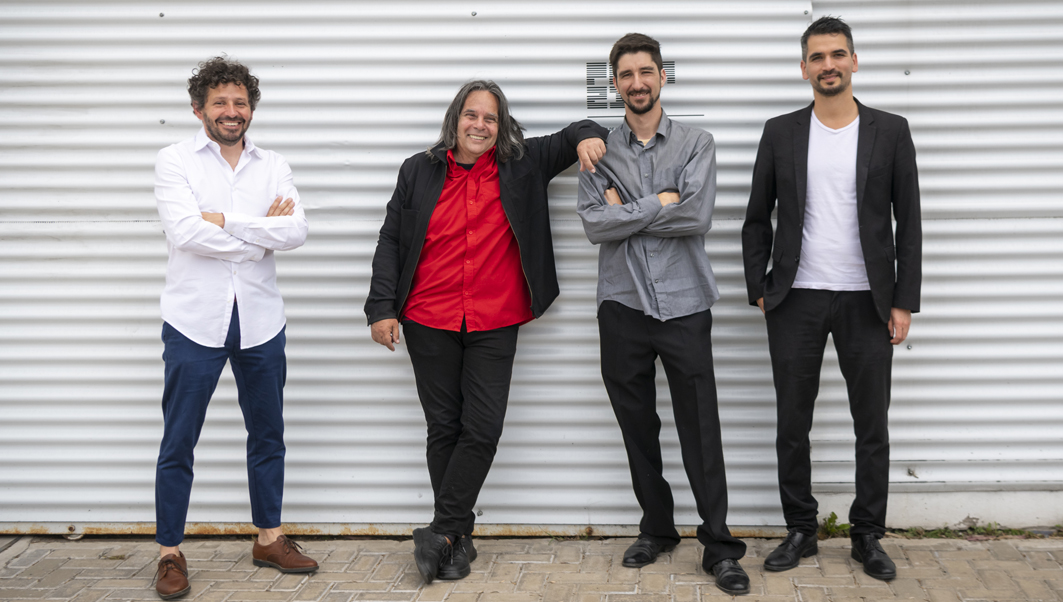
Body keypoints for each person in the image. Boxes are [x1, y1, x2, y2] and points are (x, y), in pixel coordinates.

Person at [365, 80, 608, 584]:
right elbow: (392, 238)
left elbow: (578, 130)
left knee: (482, 428)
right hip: (427, 317)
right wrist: (381, 308)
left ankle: (441, 529)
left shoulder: (523, 163)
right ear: (455, 119)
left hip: (495, 317)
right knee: (444, 428)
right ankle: (457, 537)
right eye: (471, 115)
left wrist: (588, 137)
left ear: (502, 127)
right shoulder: (419, 169)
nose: (480, 125)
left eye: (490, 119)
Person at [742, 16, 922, 582]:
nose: (828, 65)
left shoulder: (890, 131)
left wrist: (903, 301)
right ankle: (801, 528)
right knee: (792, 422)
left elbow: (908, 221)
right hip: (797, 298)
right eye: (817, 57)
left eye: (837, 54)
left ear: (854, 61)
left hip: (869, 299)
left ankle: (867, 535)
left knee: (872, 423)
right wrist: (761, 291)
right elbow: (755, 218)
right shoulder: (782, 132)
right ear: (803, 68)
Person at [576, 33, 749, 596]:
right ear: (614, 83)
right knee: (637, 425)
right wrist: (661, 202)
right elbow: (592, 224)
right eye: (625, 74)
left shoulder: (697, 143)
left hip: (684, 304)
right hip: (621, 305)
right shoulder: (598, 150)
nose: (637, 83)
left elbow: (696, 216)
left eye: (645, 72)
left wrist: (627, 209)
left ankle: (719, 544)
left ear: (662, 77)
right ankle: (657, 527)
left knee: (700, 426)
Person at [152, 56, 316, 600]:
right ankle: (169, 553)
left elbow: (295, 231)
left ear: (251, 108)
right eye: (220, 102)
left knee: (268, 434)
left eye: (240, 102)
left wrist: (225, 220)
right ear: (198, 108)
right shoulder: (175, 160)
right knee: (180, 439)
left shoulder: (273, 164)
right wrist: (258, 234)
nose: (231, 111)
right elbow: (186, 233)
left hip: (262, 320)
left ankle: (268, 537)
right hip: (194, 320)